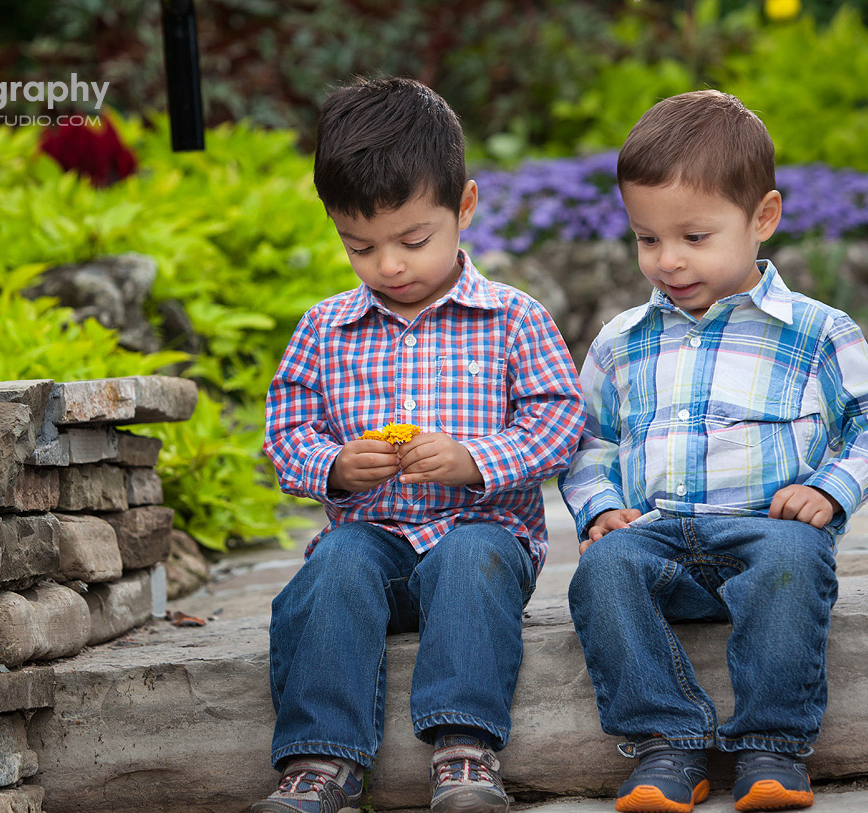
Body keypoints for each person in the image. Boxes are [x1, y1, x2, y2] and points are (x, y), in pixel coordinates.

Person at [559, 89, 868, 813]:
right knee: (601, 570)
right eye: (647, 238)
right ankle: (669, 744)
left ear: (763, 218)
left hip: (768, 539)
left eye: (694, 237)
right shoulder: (622, 340)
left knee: (794, 556)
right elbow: (588, 438)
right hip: (659, 539)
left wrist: (831, 488)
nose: (668, 260)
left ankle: (771, 746)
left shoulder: (816, 331)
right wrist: (600, 508)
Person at [256, 76, 585, 813]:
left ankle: (464, 749)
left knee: (469, 556)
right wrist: (335, 466)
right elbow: (286, 435)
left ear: (463, 206)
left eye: (412, 239)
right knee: (332, 565)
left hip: (483, 536)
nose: (390, 265)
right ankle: (318, 759)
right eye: (360, 247)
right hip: (372, 540)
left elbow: (561, 420)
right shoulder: (324, 329)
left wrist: (477, 460)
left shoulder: (511, 318)